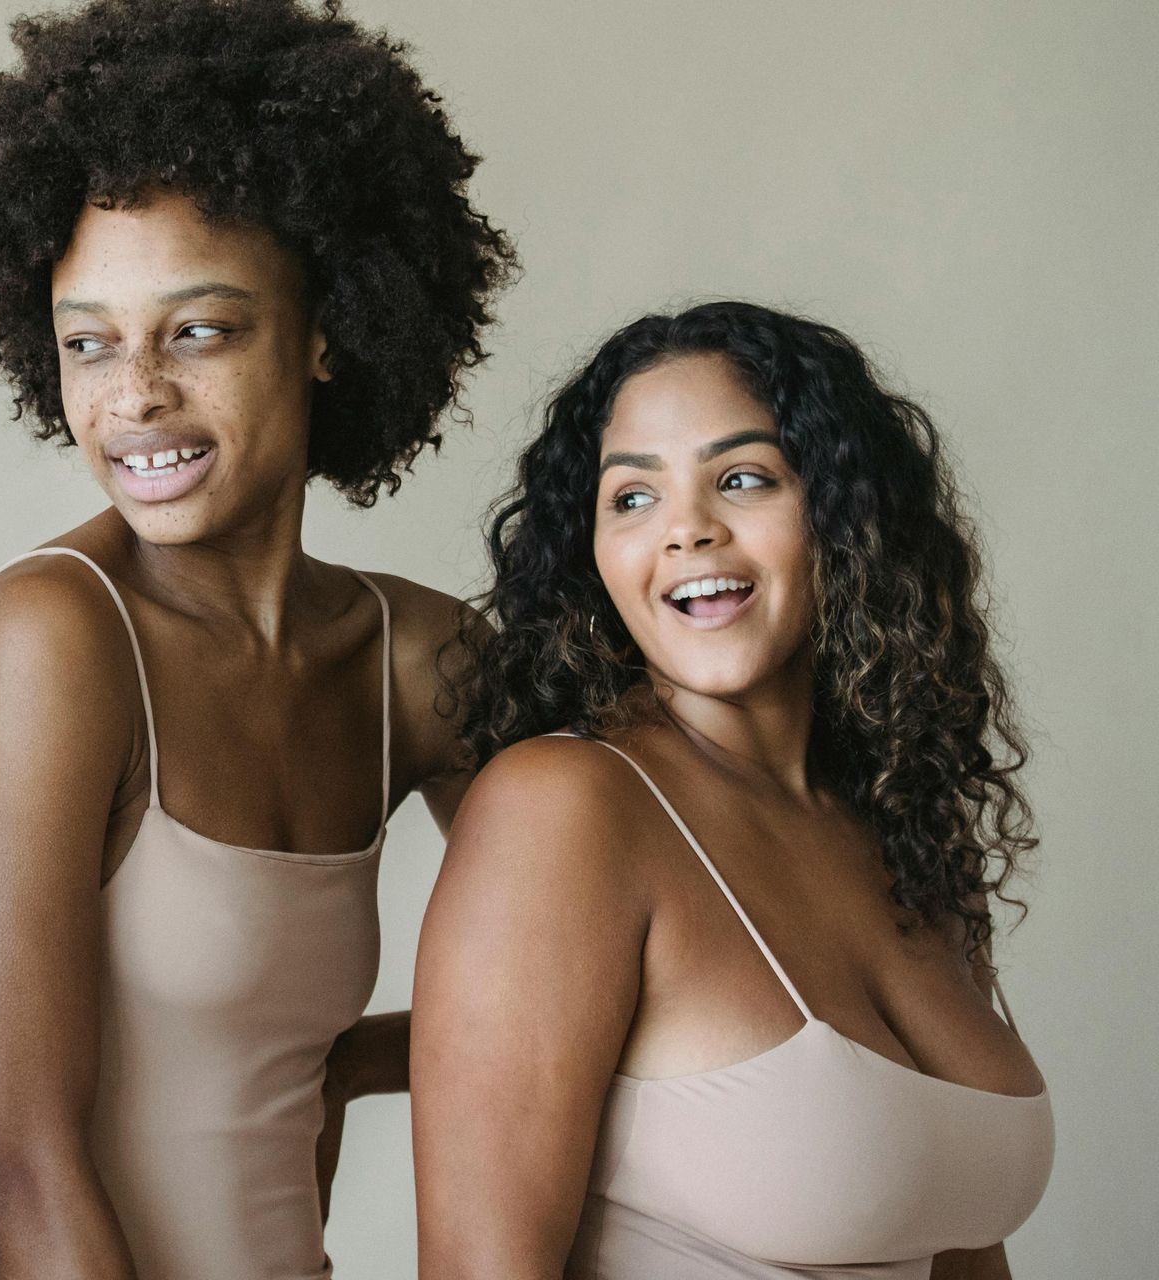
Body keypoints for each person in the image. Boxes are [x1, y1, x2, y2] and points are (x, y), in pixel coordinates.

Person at [0, 1, 515, 1275]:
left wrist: (354, 1062)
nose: (133, 394)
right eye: (89, 342)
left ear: (328, 332)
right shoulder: (58, 636)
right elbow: (18, 1160)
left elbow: (620, 945)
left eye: (200, 329)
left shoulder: (412, 660)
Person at [411, 301, 1053, 1279]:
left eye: (742, 478)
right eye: (631, 498)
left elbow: (959, 1247)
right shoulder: (565, 806)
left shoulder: (906, 825)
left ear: (843, 516)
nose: (687, 532)